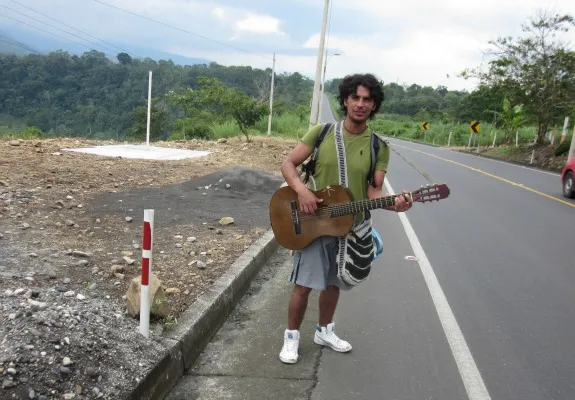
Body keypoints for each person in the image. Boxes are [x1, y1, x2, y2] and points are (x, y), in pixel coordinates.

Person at [278, 73, 413, 364]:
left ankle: (324, 331)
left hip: (348, 227)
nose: (361, 104)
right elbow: (288, 164)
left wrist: (396, 205)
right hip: (313, 222)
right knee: (303, 284)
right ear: (346, 101)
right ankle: (291, 337)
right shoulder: (322, 132)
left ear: (374, 105)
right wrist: (301, 191)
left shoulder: (379, 147)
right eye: (356, 98)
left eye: (367, 99)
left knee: (332, 283)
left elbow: (374, 192)